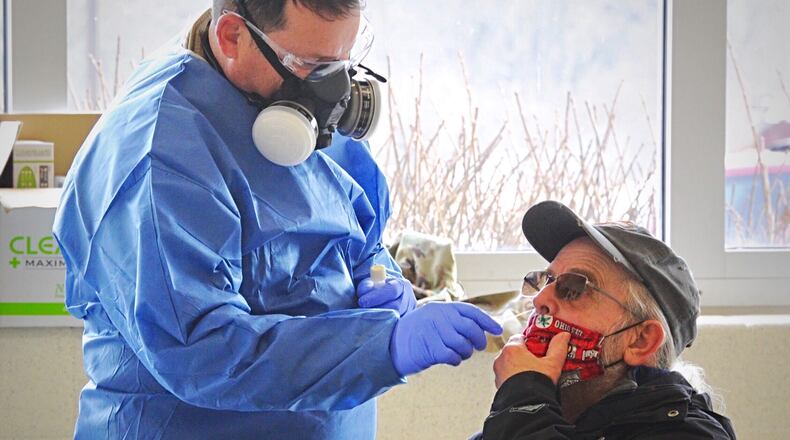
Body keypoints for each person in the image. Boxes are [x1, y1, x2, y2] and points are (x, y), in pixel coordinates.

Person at [53, 1, 502, 438]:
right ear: (233, 36)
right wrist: (384, 346)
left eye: (344, 61)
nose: (335, 89)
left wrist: (376, 271)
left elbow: (353, 226)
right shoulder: (160, 159)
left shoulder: (290, 99)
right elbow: (203, 354)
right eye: (312, 64)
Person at [475, 200, 735, 439]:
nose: (539, 299)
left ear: (641, 340)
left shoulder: (693, 434)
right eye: (546, 280)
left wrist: (524, 400)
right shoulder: (526, 421)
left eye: (573, 287)